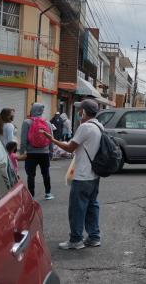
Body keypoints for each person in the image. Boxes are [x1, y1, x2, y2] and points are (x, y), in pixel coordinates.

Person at [42, 99, 103, 250]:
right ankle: (94, 237)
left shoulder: (85, 127)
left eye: (80, 110)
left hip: (83, 175)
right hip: (94, 175)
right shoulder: (99, 125)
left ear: (84, 112)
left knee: (77, 208)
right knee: (91, 206)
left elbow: (70, 147)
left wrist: (52, 139)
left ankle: (76, 240)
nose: (78, 113)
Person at [21, 103, 54, 200]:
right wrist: (51, 152)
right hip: (44, 153)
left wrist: (22, 152)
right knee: (46, 173)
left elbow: (23, 139)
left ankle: (32, 195)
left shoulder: (26, 122)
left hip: (31, 153)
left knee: (31, 174)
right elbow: (51, 138)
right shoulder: (47, 123)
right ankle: (48, 193)